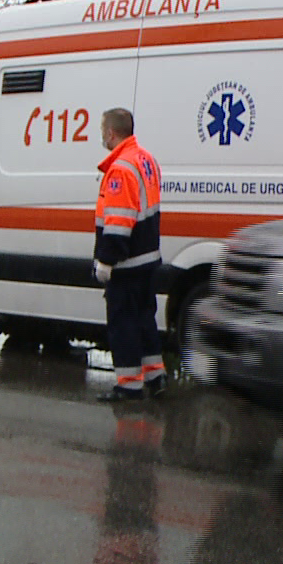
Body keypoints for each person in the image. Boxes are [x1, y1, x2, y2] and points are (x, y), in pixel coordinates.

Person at [92, 107, 166, 401]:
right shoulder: (146, 160)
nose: (102, 136)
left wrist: (106, 261)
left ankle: (129, 386)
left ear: (111, 133)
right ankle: (155, 376)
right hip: (148, 258)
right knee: (145, 320)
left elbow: (119, 222)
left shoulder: (120, 169)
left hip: (128, 263)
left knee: (123, 324)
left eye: (102, 130)